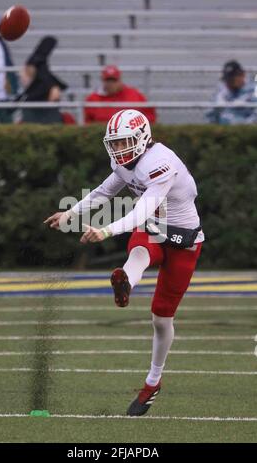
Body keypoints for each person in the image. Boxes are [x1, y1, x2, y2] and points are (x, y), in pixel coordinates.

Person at [44, 109, 204, 416]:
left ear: (143, 137)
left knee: (161, 319)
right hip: (155, 229)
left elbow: (141, 210)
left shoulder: (161, 163)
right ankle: (126, 280)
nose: (119, 149)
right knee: (140, 251)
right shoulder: (122, 162)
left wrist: (105, 230)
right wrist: (69, 213)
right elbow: (106, 191)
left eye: (125, 142)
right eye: (115, 143)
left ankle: (153, 381)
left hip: (185, 237)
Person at [18, 36, 68, 124]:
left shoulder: (37, 61)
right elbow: (41, 78)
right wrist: (55, 87)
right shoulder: (35, 62)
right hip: (37, 104)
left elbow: (46, 77)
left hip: (41, 101)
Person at [85, 65, 156, 124]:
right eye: (107, 80)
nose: (110, 84)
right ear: (102, 81)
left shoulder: (134, 94)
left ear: (120, 80)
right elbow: (88, 123)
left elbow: (149, 116)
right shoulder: (93, 99)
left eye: (113, 80)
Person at [207, 60, 257, 124]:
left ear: (242, 75)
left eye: (233, 78)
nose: (230, 81)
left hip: (247, 128)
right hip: (224, 128)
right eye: (228, 78)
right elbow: (210, 115)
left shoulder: (254, 90)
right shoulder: (221, 92)